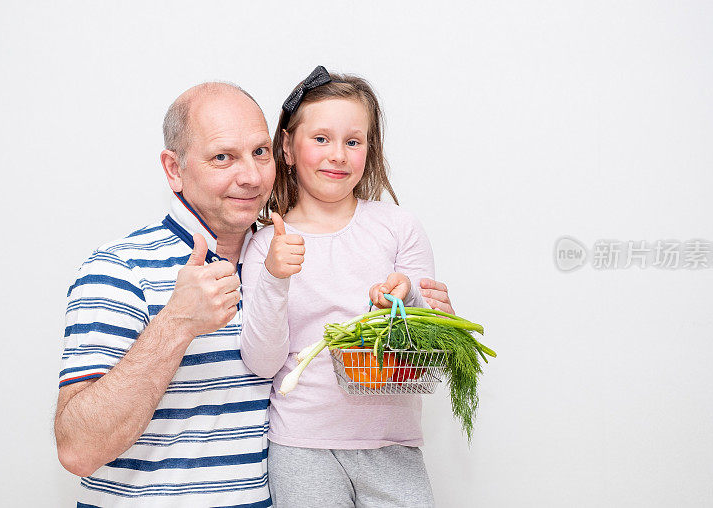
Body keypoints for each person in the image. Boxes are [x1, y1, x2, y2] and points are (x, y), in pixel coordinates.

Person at [55, 80, 454, 507]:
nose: (249, 176)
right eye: (222, 157)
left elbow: (406, 352)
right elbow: (78, 450)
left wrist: (422, 312)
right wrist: (175, 323)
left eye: (258, 153)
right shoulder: (120, 269)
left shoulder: (271, 251)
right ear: (174, 169)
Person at [239, 66, 440, 508]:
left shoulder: (398, 227)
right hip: (303, 444)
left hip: (392, 444)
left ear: (370, 150)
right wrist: (275, 278)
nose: (338, 155)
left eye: (354, 141)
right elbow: (261, 362)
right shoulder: (264, 245)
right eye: (321, 139)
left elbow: (435, 339)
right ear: (288, 148)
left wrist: (411, 299)